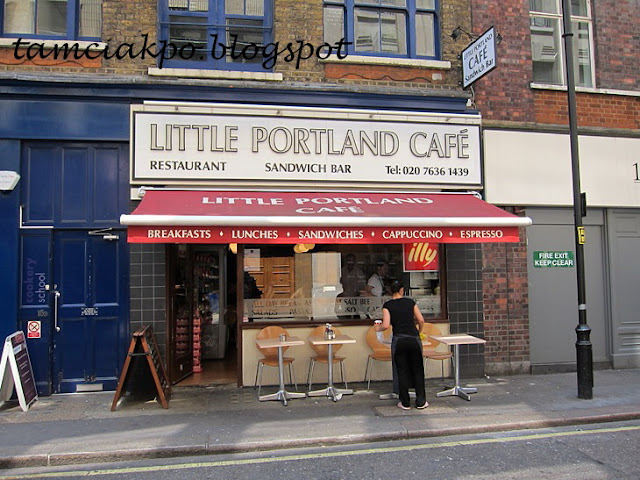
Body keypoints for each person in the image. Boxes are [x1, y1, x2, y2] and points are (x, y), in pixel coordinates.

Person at [374, 281, 428, 410]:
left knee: (401, 370)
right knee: (418, 369)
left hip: (399, 339)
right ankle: (421, 401)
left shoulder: (387, 305)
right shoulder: (410, 302)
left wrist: (377, 328)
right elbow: (421, 320)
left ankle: (405, 402)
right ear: (402, 290)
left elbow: (385, 325)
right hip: (413, 338)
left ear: (390, 291)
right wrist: (419, 332)